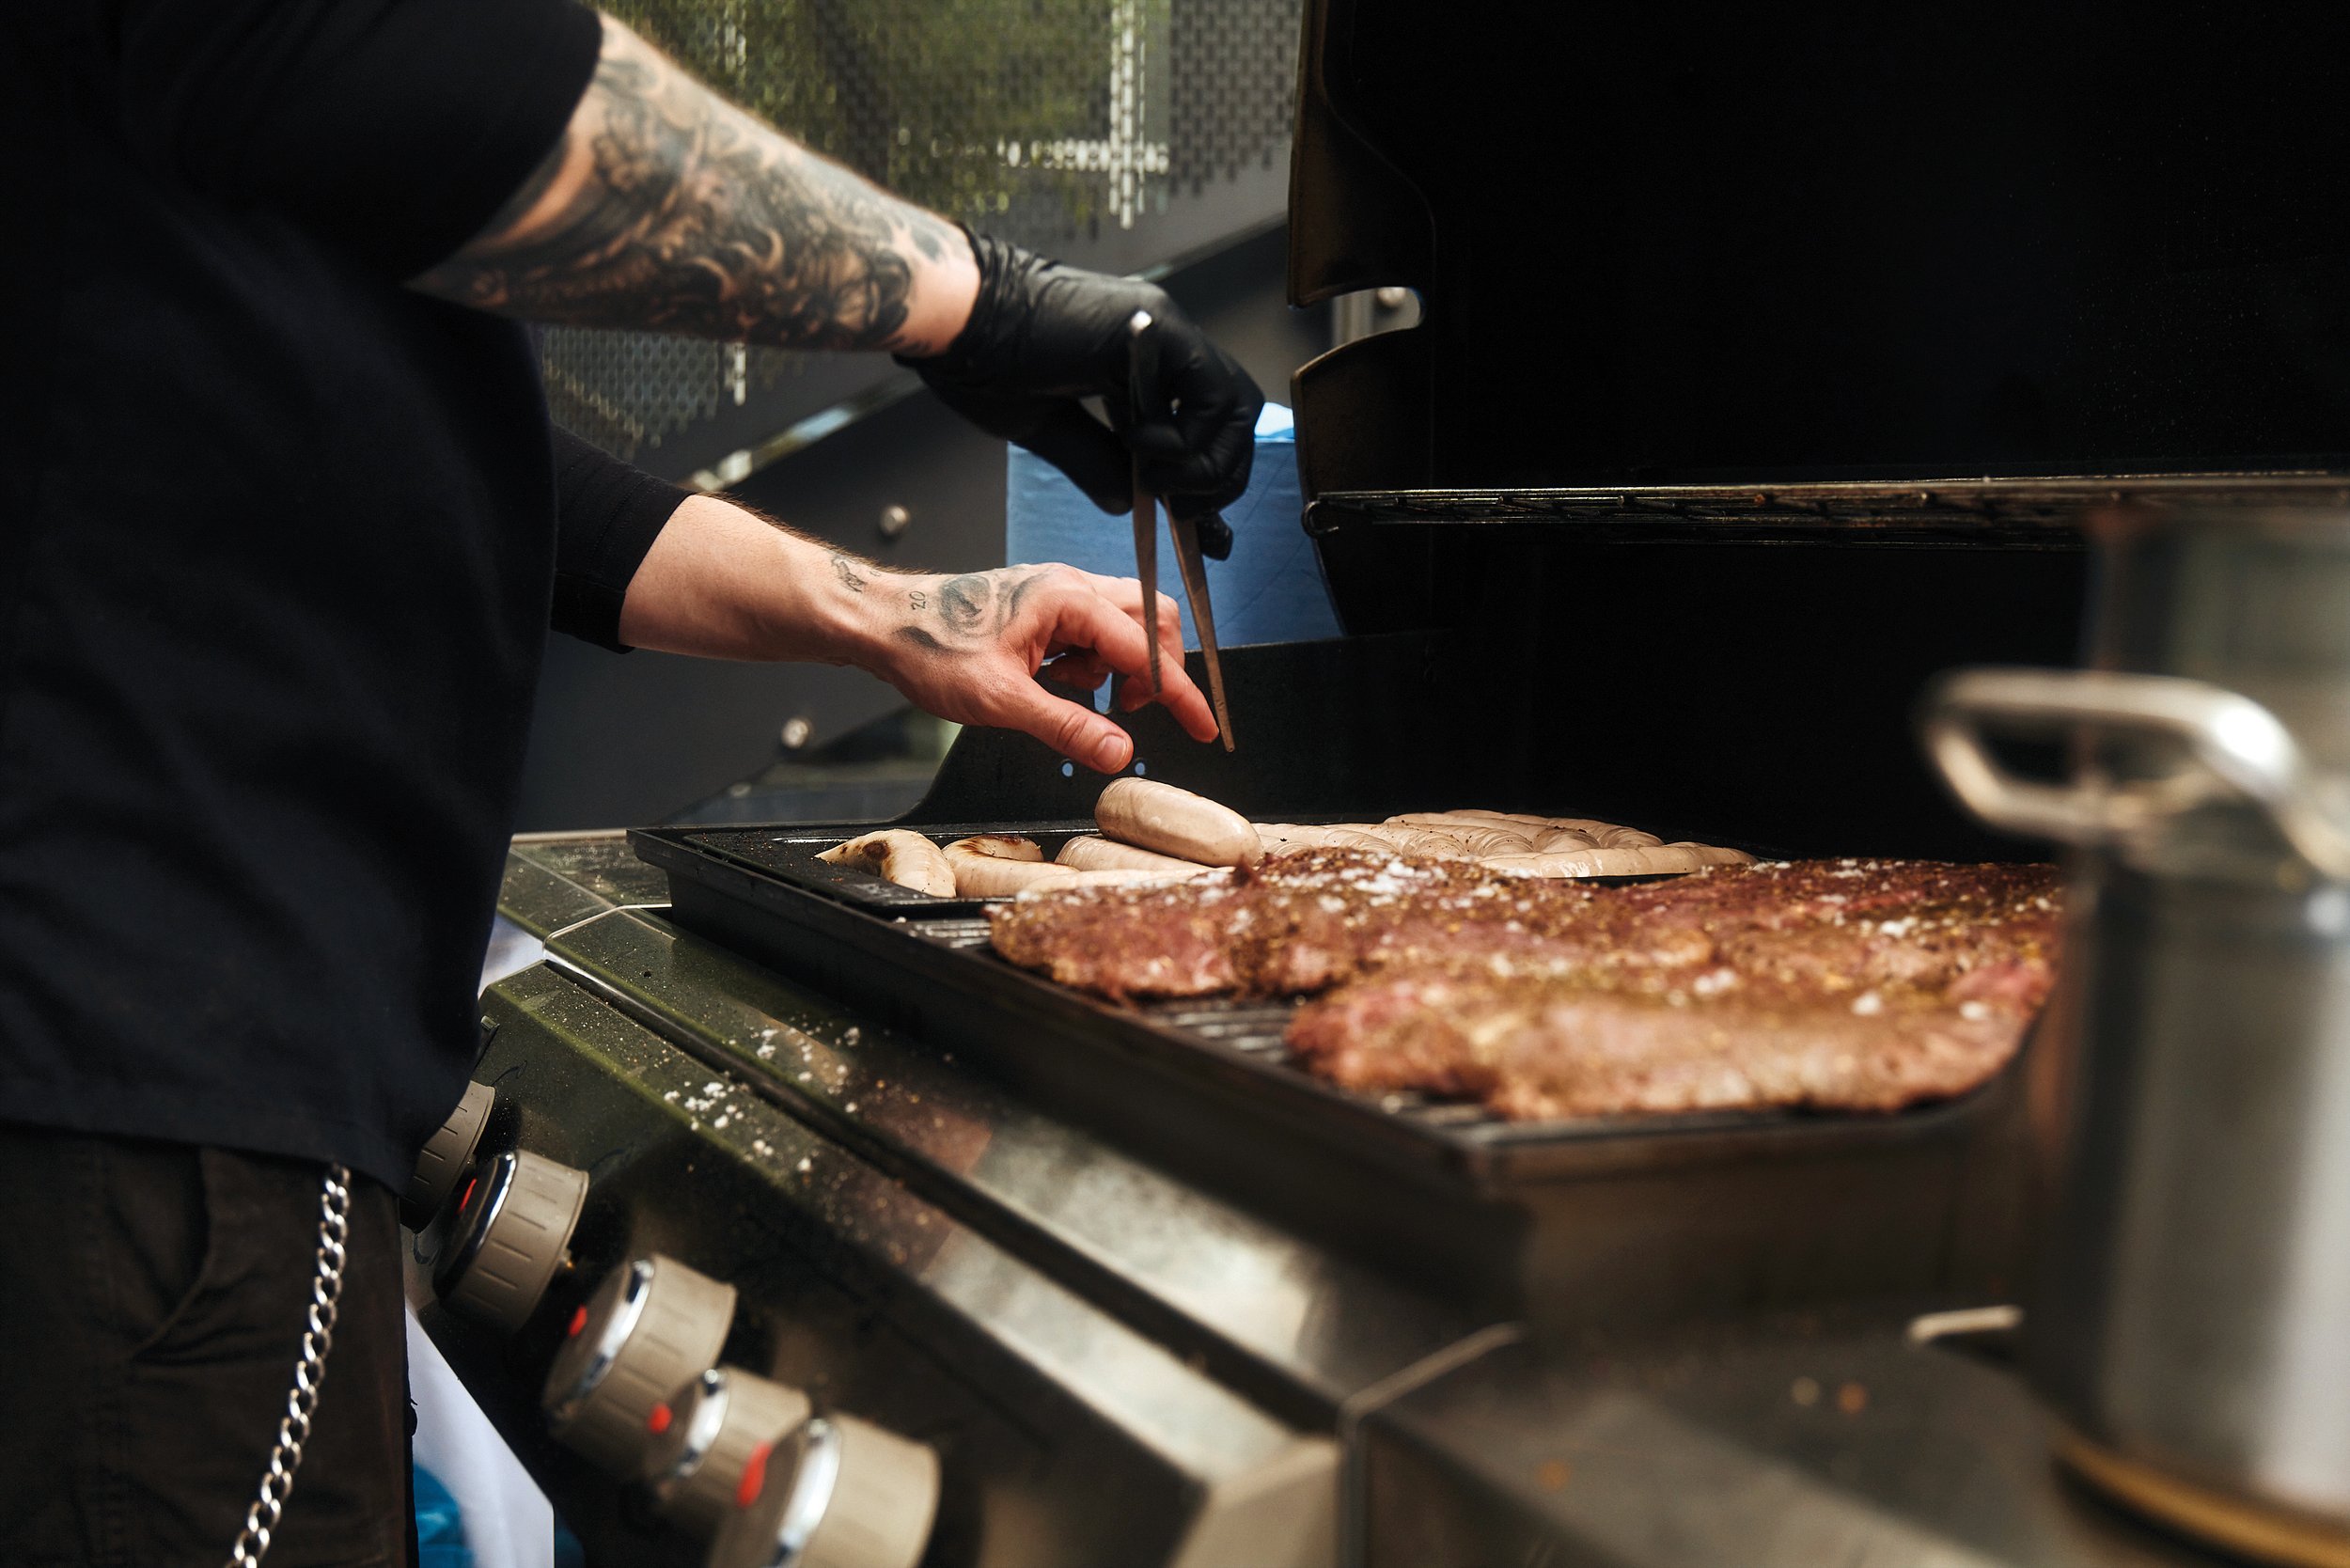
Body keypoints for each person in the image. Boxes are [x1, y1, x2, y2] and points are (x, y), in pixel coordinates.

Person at [0, 2, 1262, 1562]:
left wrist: (913, 620)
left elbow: (501, 478)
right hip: (135, 1054)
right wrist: (971, 301)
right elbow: (439, 85)